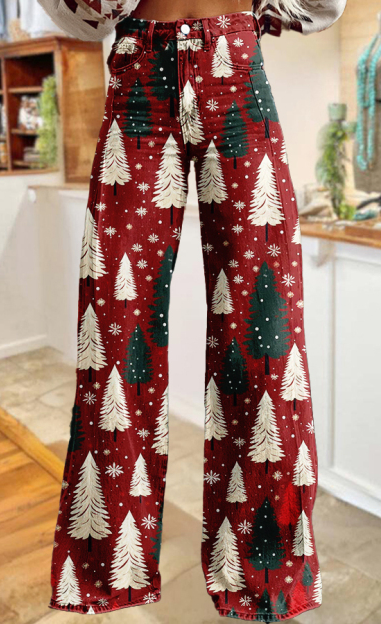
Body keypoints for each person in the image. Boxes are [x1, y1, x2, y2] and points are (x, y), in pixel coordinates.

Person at [41, 0, 347, 620]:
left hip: (236, 66)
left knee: (267, 346)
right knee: (112, 333)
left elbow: (325, 5)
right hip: (138, 74)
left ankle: (264, 576)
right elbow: (73, 13)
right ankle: (108, 571)